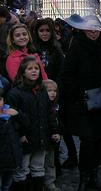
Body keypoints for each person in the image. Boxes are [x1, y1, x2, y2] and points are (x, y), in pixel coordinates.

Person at [60, 18, 101, 191]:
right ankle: (84, 178)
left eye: (96, 30)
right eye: (90, 29)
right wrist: (78, 92)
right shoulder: (77, 47)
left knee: (98, 139)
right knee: (87, 140)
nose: (93, 33)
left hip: (100, 101)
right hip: (82, 101)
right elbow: (67, 74)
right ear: (83, 30)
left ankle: (94, 177)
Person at [7, 56, 59, 190]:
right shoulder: (15, 93)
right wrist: (21, 134)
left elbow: (49, 113)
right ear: (23, 72)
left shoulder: (42, 91)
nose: (34, 71)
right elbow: (12, 118)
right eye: (30, 69)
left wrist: (54, 131)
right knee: (22, 170)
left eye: (36, 68)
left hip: (41, 136)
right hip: (25, 138)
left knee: (38, 168)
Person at [0, 80, 23, 191]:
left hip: (11, 159)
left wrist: (18, 114)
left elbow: (24, 124)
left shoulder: (9, 114)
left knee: (6, 186)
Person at [30, 18, 64, 83]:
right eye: (41, 31)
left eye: (48, 30)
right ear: (37, 32)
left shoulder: (56, 48)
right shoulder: (32, 48)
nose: (44, 33)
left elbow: (61, 70)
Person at [42, 79, 61, 191]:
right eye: (49, 91)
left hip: (52, 140)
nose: (53, 93)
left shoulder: (56, 105)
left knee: (50, 162)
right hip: (43, 138)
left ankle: (50, 182)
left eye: (54, 90)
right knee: (41, 162)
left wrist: (57, 132)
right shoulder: (42, 106)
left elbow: (57, 122)